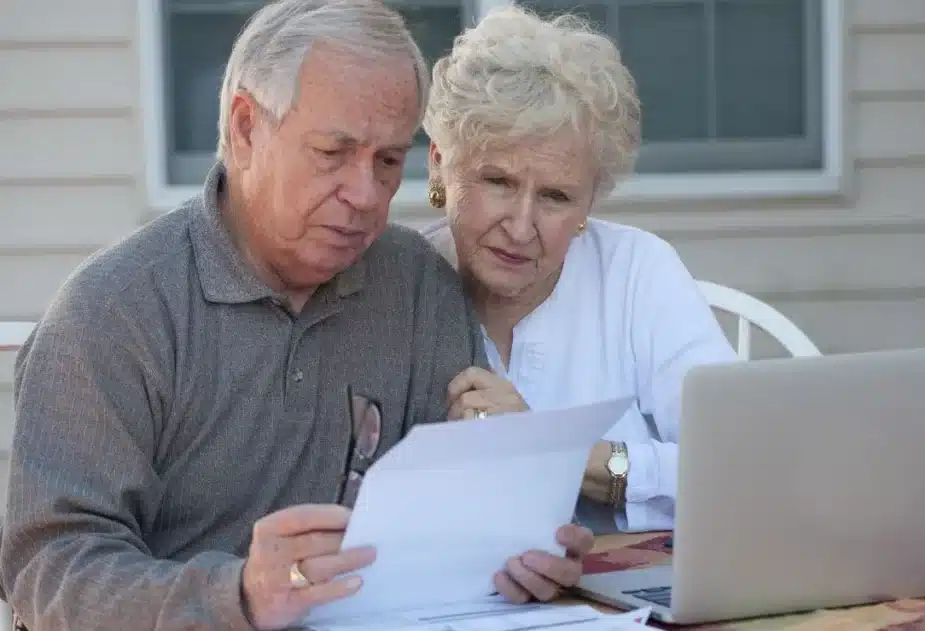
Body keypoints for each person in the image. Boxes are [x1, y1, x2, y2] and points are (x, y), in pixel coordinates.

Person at [0, 1, 594, 629]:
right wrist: (241, 596)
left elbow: (462, 516)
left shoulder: (417, 284)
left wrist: (522, 545)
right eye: (333, 152)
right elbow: (48, 571)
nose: (366, 194)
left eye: (389, 160)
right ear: (246, 127)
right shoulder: (112, 314)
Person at [421, 6, 737, 535]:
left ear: (592, 200)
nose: (521, 227)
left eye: (556, 196)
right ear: (439, 165)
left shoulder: (636, 272)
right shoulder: (397, 288)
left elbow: (742, 462)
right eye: (497, 181)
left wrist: (558, 453)